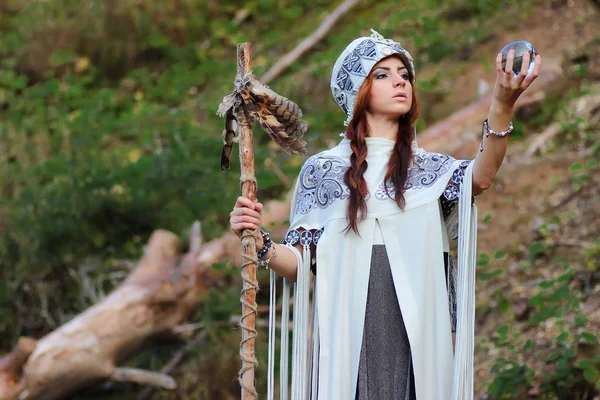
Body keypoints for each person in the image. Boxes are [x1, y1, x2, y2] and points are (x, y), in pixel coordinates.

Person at [229, 30, 541, 400]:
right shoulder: (324, 171)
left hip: (418, 333)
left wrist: (502, 103)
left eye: (404, 74)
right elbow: (301, 264)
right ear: (358, 92)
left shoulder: (429, 171)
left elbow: (482, 175)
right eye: (382, 74)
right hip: (351, 332)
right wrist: (259, 240)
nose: (399, 81)